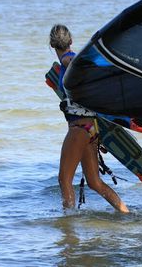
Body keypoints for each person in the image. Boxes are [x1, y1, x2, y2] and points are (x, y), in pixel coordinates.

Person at [49, 24, 129, 213]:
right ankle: (125, 212)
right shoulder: (72, 59)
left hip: (78, 129)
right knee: (94, 182)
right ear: (71, 41)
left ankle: (68, 223)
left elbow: (76, 66)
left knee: (64, 179)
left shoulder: (69, 60)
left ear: (52, 45)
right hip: (90, 129)